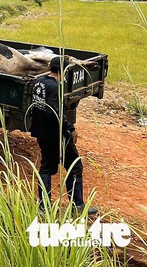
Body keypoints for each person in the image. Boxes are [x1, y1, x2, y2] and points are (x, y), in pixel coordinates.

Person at [31, 56, 98, 215]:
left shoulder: (39, 83)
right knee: (75, 166)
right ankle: (77, 205)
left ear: (49, 68)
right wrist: (70, 127)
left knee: (47, 166)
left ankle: (44, 205)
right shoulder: (56, 87)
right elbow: (54, 112)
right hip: (56, 134)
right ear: (66, 71)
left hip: (41, 132)